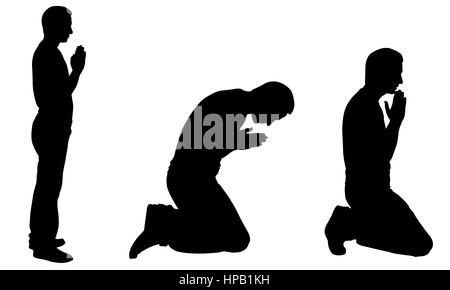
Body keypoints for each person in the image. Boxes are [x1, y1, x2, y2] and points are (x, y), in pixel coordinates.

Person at [130, 82, 294, 258]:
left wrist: (234, 142)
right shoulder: (234, 105)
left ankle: (163, 222)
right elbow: (204, 148)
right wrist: (237, 143)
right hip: (190, 181)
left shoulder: (234, 103)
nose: (269, 123)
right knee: (236, 239)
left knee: (235, 238)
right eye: (274, 115)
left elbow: (207, 144)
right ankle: (163, 223)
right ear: (268, 101)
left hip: (195, 179)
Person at [325, 48, 432, 256]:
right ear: (382, 73)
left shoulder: (365, 104)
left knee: (420, 243)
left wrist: (393, 122)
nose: (400, 80)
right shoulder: (366, 107)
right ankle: (349, 225)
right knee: (421, 245)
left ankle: (352, 224)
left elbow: (379, 153)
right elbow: (383, 155)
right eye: (397, 73)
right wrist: (396, 122)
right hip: (371, 195)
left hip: (370, 191)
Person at [30, 6, 86, 263]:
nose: (71, 30)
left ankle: (42, 237)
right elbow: (57, 95)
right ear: (54, 25)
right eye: (67, 24)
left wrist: (75, 71)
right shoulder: (47, 56)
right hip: (51, 130)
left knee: (49, 186)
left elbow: (60, 93)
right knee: (48, 188)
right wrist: (77, 71)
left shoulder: (49, 54)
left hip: (53, 129)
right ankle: (42, 244)